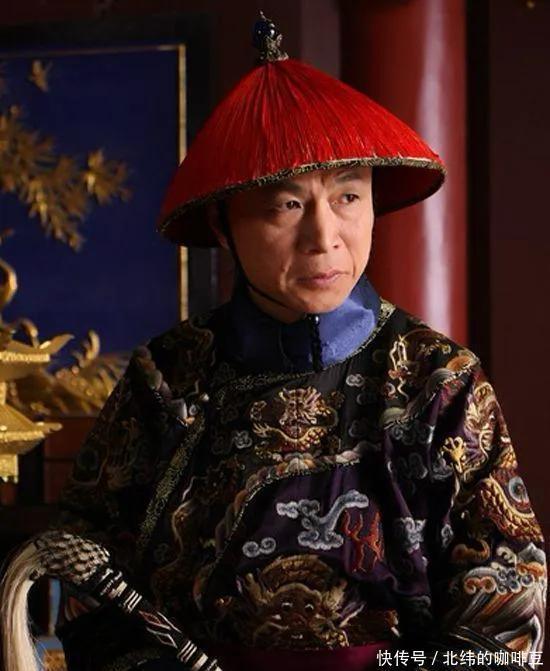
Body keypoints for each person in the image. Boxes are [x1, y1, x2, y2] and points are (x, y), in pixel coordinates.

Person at [2, 12, 546, 671]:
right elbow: (85, 575)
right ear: (222, 224)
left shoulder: (439, 380)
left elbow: (507, 608)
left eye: (348, 197)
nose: (325, 238)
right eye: (287, 205)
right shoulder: (166, 379)